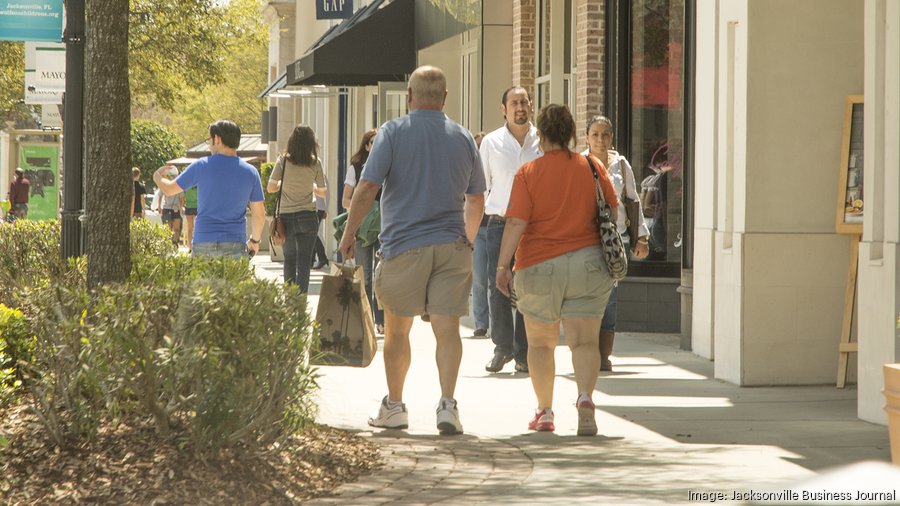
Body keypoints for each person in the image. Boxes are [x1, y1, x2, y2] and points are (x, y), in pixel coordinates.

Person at [338, 65, 485, 435]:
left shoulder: (392, 132)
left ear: (409, 96)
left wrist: (349, 233)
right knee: (447, 328)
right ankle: (448, 406)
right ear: (446, 98)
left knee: (399, 330)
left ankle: (396, 406)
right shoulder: (464, 137)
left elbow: (368, 187)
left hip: (404, 246)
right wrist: (466, 238)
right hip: (452, 246)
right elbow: (476, 198)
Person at [495, 103, 618, 436]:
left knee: (540, 345)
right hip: (588, 264)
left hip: (539, 265)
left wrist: (503, 265)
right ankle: (585, 399)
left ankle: (546, 412)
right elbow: (614, 213)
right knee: (584, 343)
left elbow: (517, 222)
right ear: (571, 134)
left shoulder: (528, 173)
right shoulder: (592, 167)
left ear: (542, 135)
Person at [478, 86, 542, 374]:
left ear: (531, 106)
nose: (520, 107)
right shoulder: (491, 142)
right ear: (503, 109)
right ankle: (502, 348)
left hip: (534, 226)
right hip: (499, 224)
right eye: (514, 103)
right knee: (498, 285)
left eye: (524, 102)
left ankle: (523, 352)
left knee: (528, 287)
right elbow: (482, 186)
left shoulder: (543, 141)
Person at [583, 115, 650, 371]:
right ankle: (587, 350)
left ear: (611, 137)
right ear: (587, 137)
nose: (600, 140)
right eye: (595, 134)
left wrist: (641, 237)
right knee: (589, 295)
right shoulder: (580, 162)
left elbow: (633, 201)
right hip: (587, 238)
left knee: (610, 296)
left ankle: (603, 355)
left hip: (616, 238)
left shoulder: (621, 165)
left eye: (605, 134)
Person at [154, 119, 265, 260]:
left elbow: (169, 189)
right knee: (233, 283)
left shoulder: (202, 165)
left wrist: (157, 176)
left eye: (209, 140)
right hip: (235, 242)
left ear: (217, 139)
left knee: (203, 283)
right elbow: (259, 214)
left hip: (204, 241)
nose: (208, 146)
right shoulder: (251, 172)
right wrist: (255, 241)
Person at [266, 125, 327, 292]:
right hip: (308, 216)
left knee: (290, 260)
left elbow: (270, 188)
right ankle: (301, 304)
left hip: (286, 218)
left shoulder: (283, 161)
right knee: (305, 263)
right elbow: (322, 192)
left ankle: (290, 303)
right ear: (311, 143)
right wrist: (311, 187)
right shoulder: (315, 162)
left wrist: (282, 184)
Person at [341, 129, 384, 334]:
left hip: (384, 227)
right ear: (366, 146)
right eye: (373, 142)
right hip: (363, 228)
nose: (377, 146)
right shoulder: (356, 168)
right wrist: (364, 210)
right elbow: (345, 200)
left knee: (380, 275)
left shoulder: (389, 165)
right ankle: (366, 319)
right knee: (365, 275)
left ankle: (381, 321)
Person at [470, 131, 490, 339]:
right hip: (478, 229)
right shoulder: (471, 170)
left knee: (495, 278)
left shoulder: (496, 165)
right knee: (480, 279)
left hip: (496, 226)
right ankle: (481, 323)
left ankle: (497, 322)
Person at [157, 168, 185, 248]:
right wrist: (181, 207)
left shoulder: (168, 184)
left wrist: (159, 206)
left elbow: (160, 196)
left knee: (172, 229)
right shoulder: (177, 184)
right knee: (172, 229)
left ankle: (172, 243)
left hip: (170, 208)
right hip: (171, 208)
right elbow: (182, 198)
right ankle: (171, 243)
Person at [311, 177, 329, 270]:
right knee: (312, 234)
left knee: (312, 234)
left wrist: (326, 209)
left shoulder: (321, 177)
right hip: (313, 208)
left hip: (318, 209)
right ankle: (312, 260)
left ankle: (322, 258)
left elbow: (327, 194)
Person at [183, 186, 198, 252]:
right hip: (197, 207)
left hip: (188, 207)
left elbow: (183, 197)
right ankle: (196, 245)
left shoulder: (187, 186)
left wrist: (182, 205)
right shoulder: (198, 186)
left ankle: (190, 247)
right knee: (196, 228)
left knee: (189, 229)